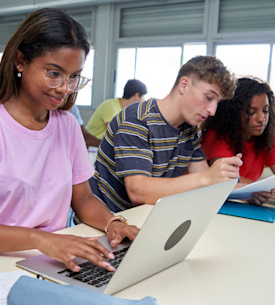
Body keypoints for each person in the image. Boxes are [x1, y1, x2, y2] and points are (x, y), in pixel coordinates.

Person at [0, 8, 138, 273]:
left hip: (44, 258)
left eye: (74, 76)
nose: (64, 87)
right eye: (54, 73)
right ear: (20, 61)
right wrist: (42, 240)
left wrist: (113, 223)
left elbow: (83, 199)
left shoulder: (68, 126)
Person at [88, 56, 241, 214]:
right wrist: (207, 178)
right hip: (106, 221)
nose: (212, 110)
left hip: (146, 217)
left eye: (217, 102)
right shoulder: (137, 119)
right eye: (209, 98)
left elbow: (204, 178)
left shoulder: (189, 129)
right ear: (184, 85)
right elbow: (138, 192)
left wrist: (249, 192)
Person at [201, 77, 275, 205]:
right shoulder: (218, 134)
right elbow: (228, 179)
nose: (261, 118)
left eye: (265, 111)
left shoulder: (268, 134)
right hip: (210, 203)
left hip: (241, 204)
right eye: (252, 112)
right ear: (235, 113)